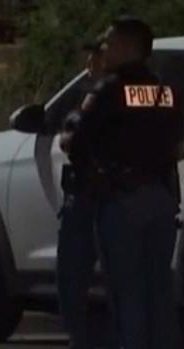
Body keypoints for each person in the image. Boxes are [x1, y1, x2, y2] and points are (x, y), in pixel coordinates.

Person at [70, 17, 184, 349]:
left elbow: (77, 143)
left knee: (127, 295)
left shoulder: (108, 91)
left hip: (122, 201)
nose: (104, 49)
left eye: (109, 42)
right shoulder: (166, 91)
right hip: (161, 201)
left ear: (126, 47)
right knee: (159, 293)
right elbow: (182, 147)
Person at [55, 37, 109, 349]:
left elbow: (73, 138)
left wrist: (68, 134)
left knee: (72, 277)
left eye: (98, 57)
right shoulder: (147, 88)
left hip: (93, 199)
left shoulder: (102, 95)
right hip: (113, 198)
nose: (89, 64)